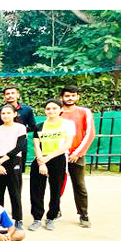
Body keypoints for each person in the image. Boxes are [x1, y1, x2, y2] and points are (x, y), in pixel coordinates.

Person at [28, 99, 76, 232]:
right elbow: (36, 145)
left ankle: (51, 217)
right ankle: (37, 218)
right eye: (48, 109)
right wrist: (41, 161)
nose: (51, 111)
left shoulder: (67, 124)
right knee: (36, 190)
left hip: (58, 159)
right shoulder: (39, 126)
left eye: (54, 108)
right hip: (40, 159)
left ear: (61, 110)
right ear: (45, 111)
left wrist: (48, 158)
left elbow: (67, 144)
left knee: (56, 189)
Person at [60, 85, 96, 228]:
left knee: (79, 185)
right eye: (67, 95)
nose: (70, 98)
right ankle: (55, 211)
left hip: (77, 155)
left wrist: (77, 153)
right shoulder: (57, 112)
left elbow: (90, 134)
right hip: (59, 155)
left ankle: (84, 214)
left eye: (73, 95)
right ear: (61, 97)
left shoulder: (84, 112)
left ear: (77, 97)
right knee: (57, 185)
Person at [0, 104, 27, 228]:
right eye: (3, 113)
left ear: (15, 114)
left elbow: (19, 146)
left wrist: (3, 159)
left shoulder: (20, 128)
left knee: (14, 192)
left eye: (8, 113)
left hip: (13, 160)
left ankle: (18, 219)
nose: (5, 115)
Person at [0, 85, 38, 175]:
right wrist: (3, 131)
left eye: (13, 93)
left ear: (17, 95)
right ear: (4, 96)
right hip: (0, 148)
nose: (10, 95)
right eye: (7, 94)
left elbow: (33, 126)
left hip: (19, 148)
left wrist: (18, 132)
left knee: (16, 176)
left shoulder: (27, 110)